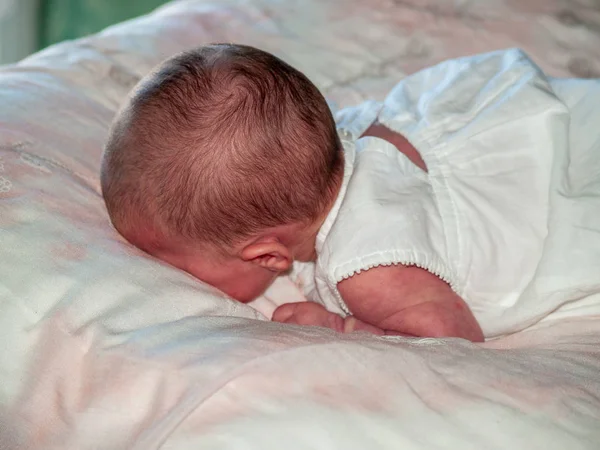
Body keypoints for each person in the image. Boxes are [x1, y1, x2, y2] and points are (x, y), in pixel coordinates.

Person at [102, 44, 566, 342]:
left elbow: (453, 338)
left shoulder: (370, 269)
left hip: (551, 184)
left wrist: (345, 327)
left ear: (267, 255)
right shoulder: (323, 146)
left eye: (175, 263)